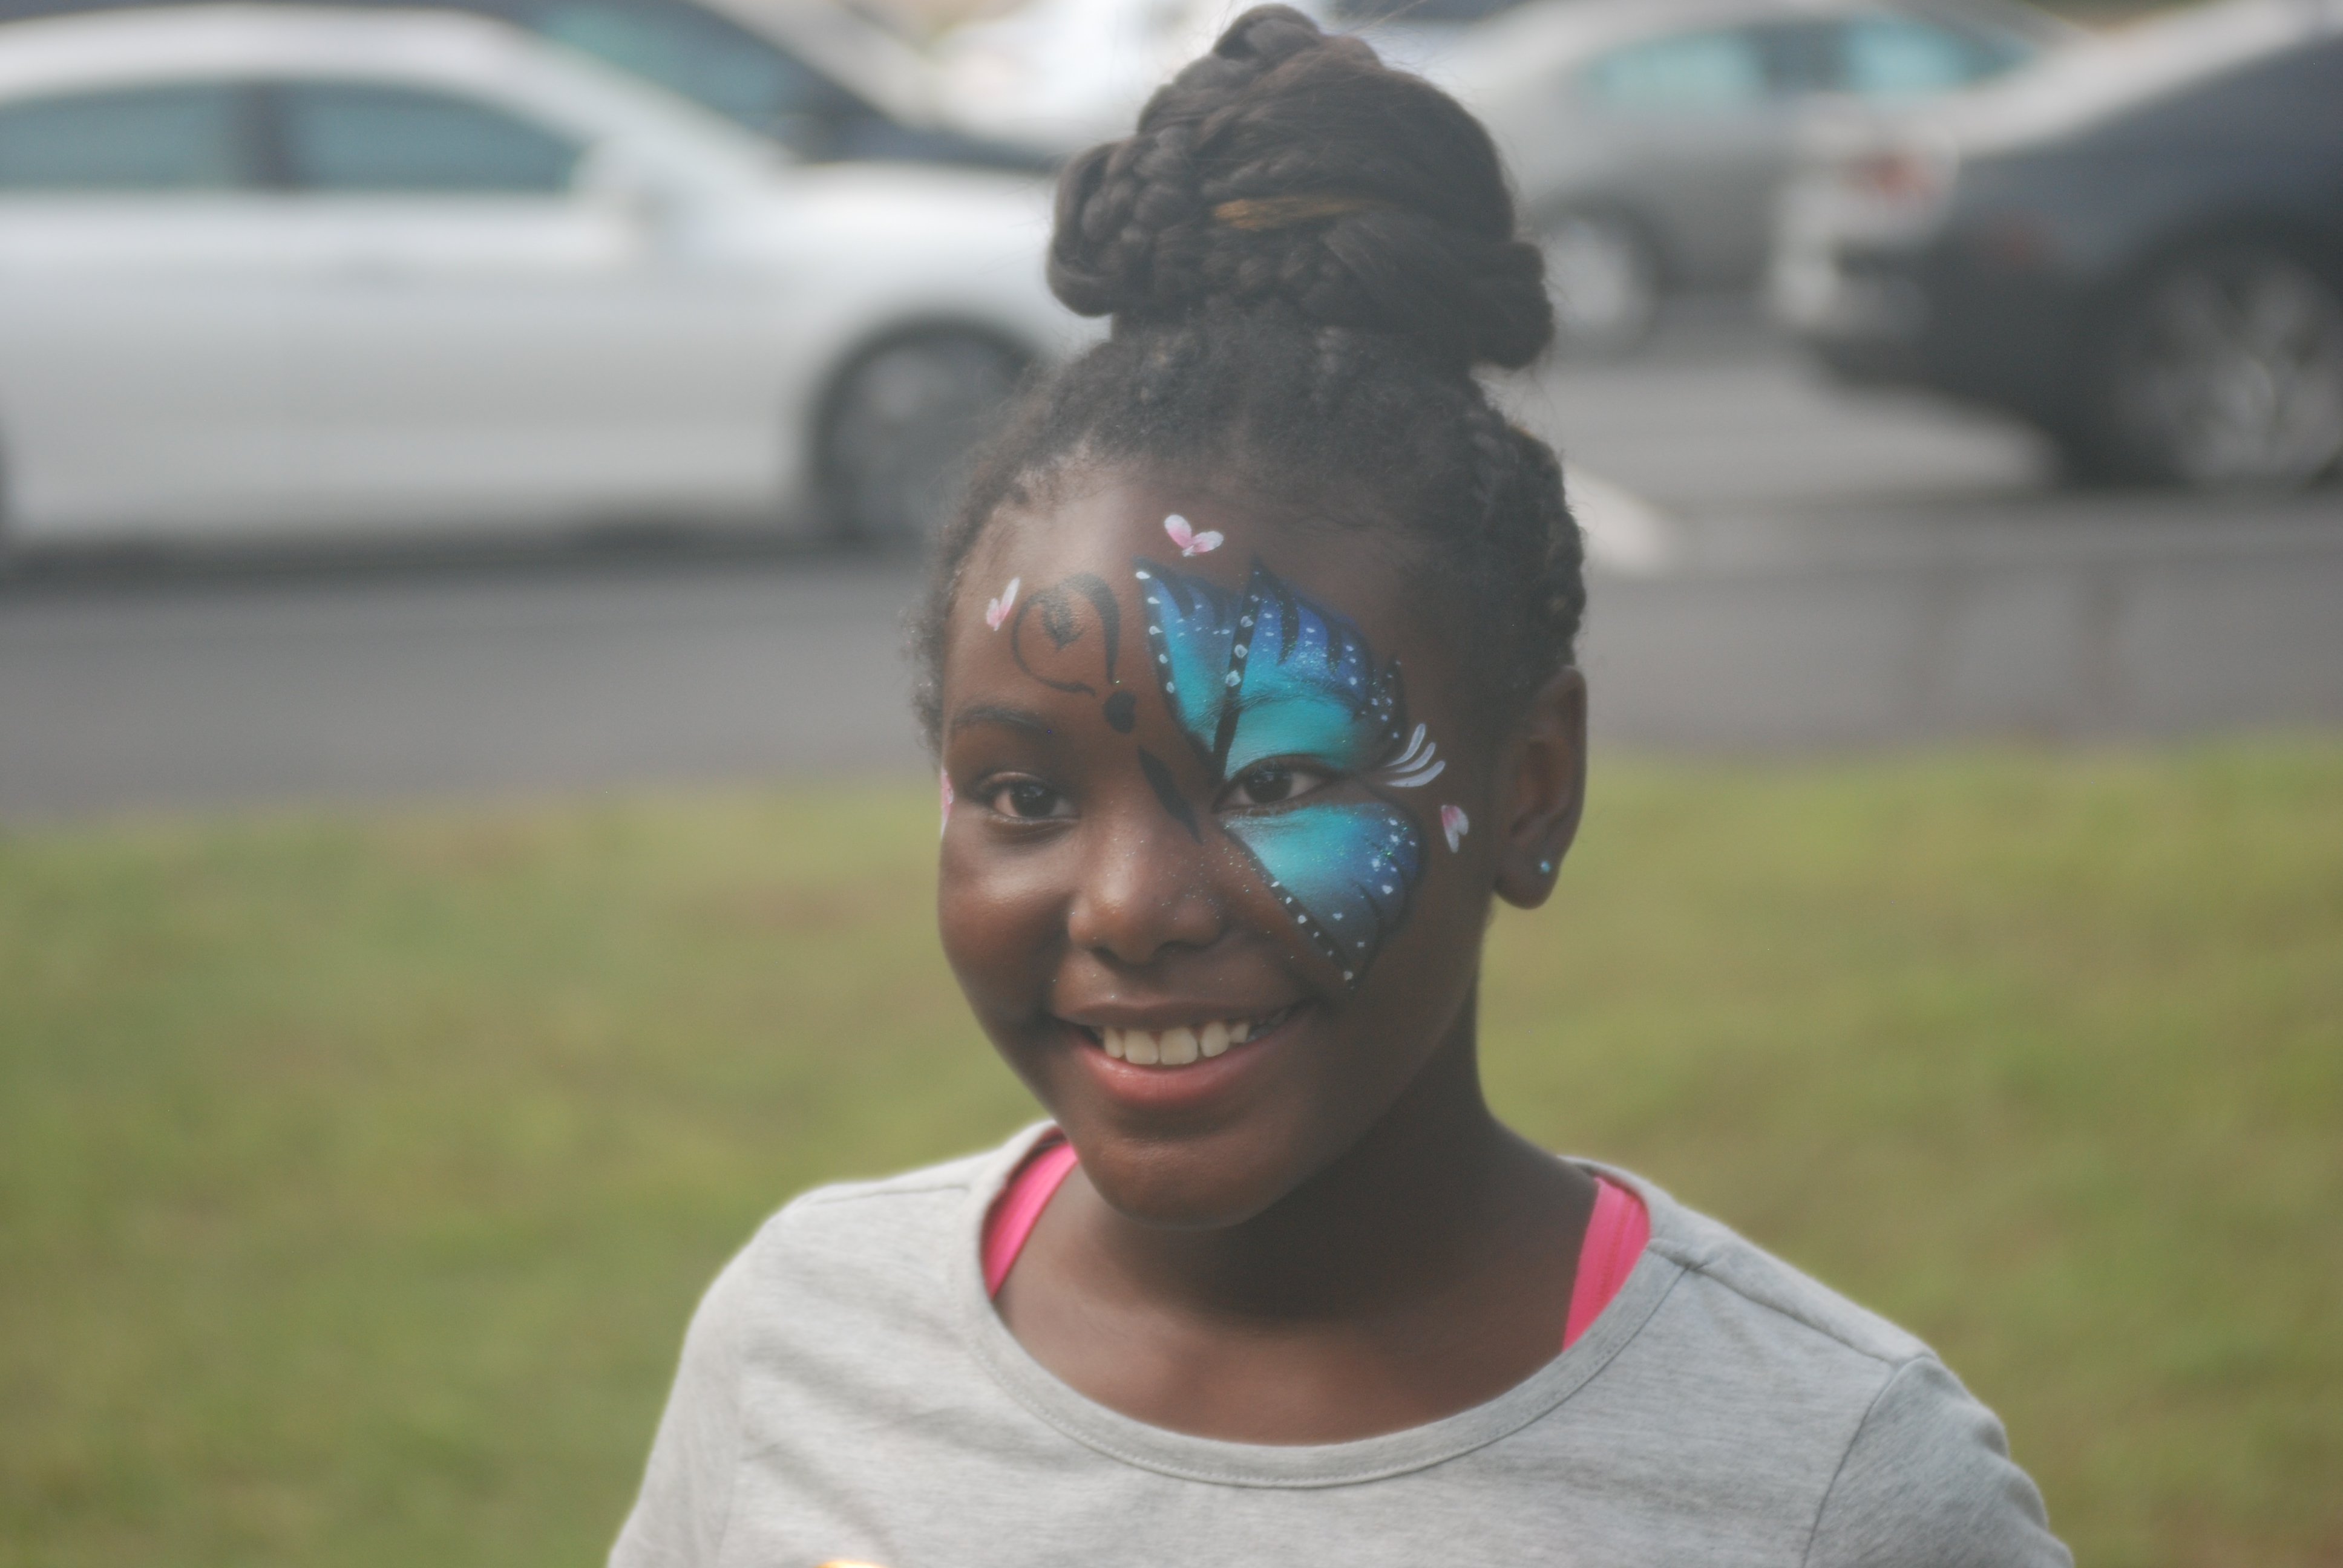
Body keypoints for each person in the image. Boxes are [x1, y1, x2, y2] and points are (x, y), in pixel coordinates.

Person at [610, 8, 2069, 1564]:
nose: (1125, 908)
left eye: (1279, 775)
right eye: (1025, 798)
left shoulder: (1824, 1486)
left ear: (1529, 787)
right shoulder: (806, 1346)